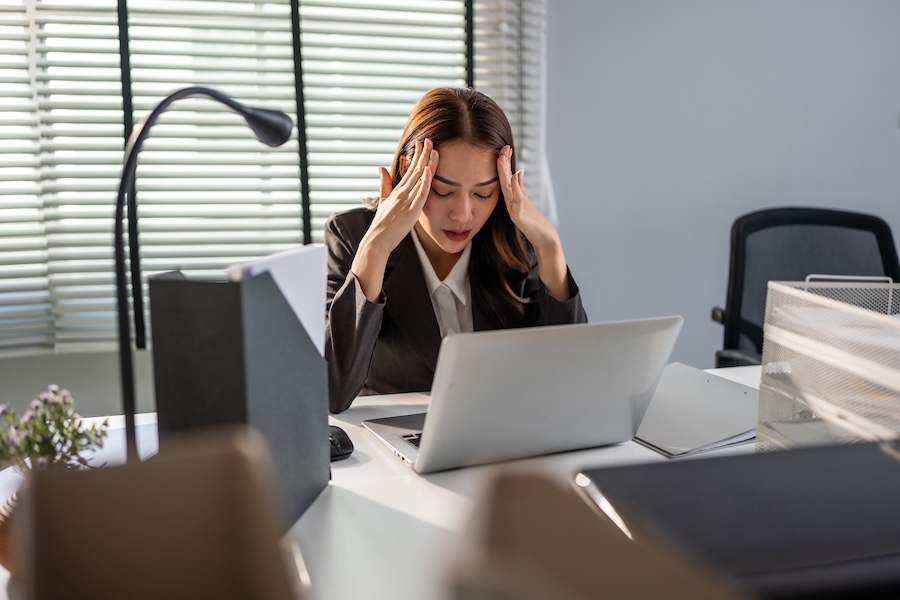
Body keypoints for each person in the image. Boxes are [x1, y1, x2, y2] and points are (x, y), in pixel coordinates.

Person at [324, 87, 587, 413]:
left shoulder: (514, 243)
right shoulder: (353, 236)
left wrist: (550, 246)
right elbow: (332, 393)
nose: (463, 215)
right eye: (443, 191)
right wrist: (377, 246)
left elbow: (571, 383)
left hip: (500, 438)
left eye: (483, 194)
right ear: (408, 174)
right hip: (395, 444)